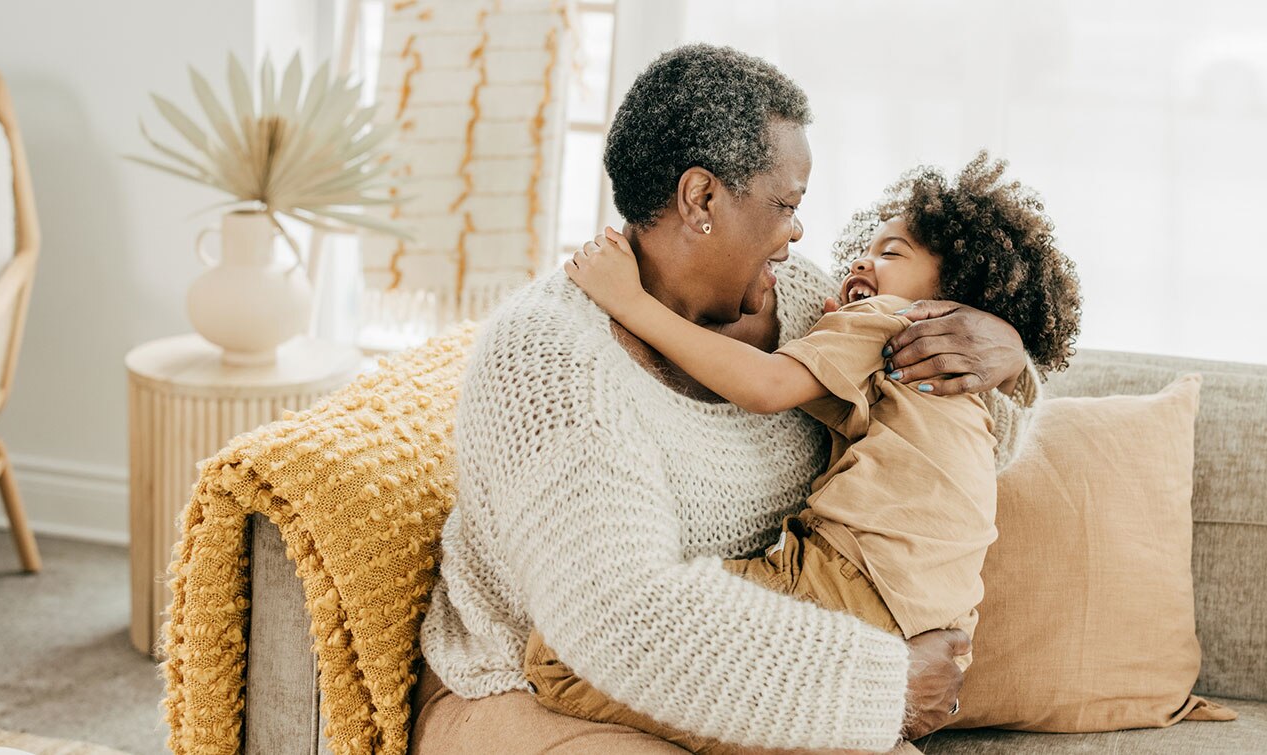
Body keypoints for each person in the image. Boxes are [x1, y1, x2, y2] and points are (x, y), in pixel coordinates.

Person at [411, 45, 1041, 754]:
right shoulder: (551, 361)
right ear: (701, 198)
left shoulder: (804, 298)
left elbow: (941, 445)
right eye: (786, 204)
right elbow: (614, 621)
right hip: (545, 687)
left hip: (765, 653)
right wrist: (883, 686)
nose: (801, 231)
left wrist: (995, 351)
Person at [526, 152, 1082, 753]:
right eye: (867, 248)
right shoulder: (950, 381)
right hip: (936, 615)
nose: (863, 260)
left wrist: (631, 302)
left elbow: (766, 385)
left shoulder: (893, 319)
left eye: (892, 254)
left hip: (851, 576)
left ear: (956, 300)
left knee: (559, 655)